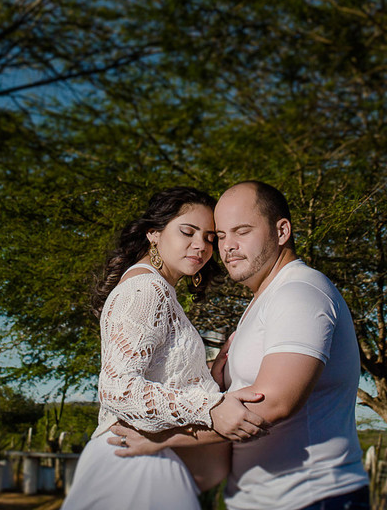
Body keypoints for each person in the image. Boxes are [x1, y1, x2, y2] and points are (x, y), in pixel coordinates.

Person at [112, 180, 370, 510]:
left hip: (312, 498)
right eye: (220, 236)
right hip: (260, 499)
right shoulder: (266, 298)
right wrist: (213, 380)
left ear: (282, 231)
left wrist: (163, 436)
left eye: (242, 231)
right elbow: (244, 393)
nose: (227, 246)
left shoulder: (300, 293)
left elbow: (272, 404)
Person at [62, 186, 266, 510]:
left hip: (147, 463)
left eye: (210, 238)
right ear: (153, 233)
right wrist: (210, 407)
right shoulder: (146, 288)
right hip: (133, 469)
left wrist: (208, 375)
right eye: (188, 231)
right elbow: (117, 389)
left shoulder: (161, 290)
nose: (201, 245)